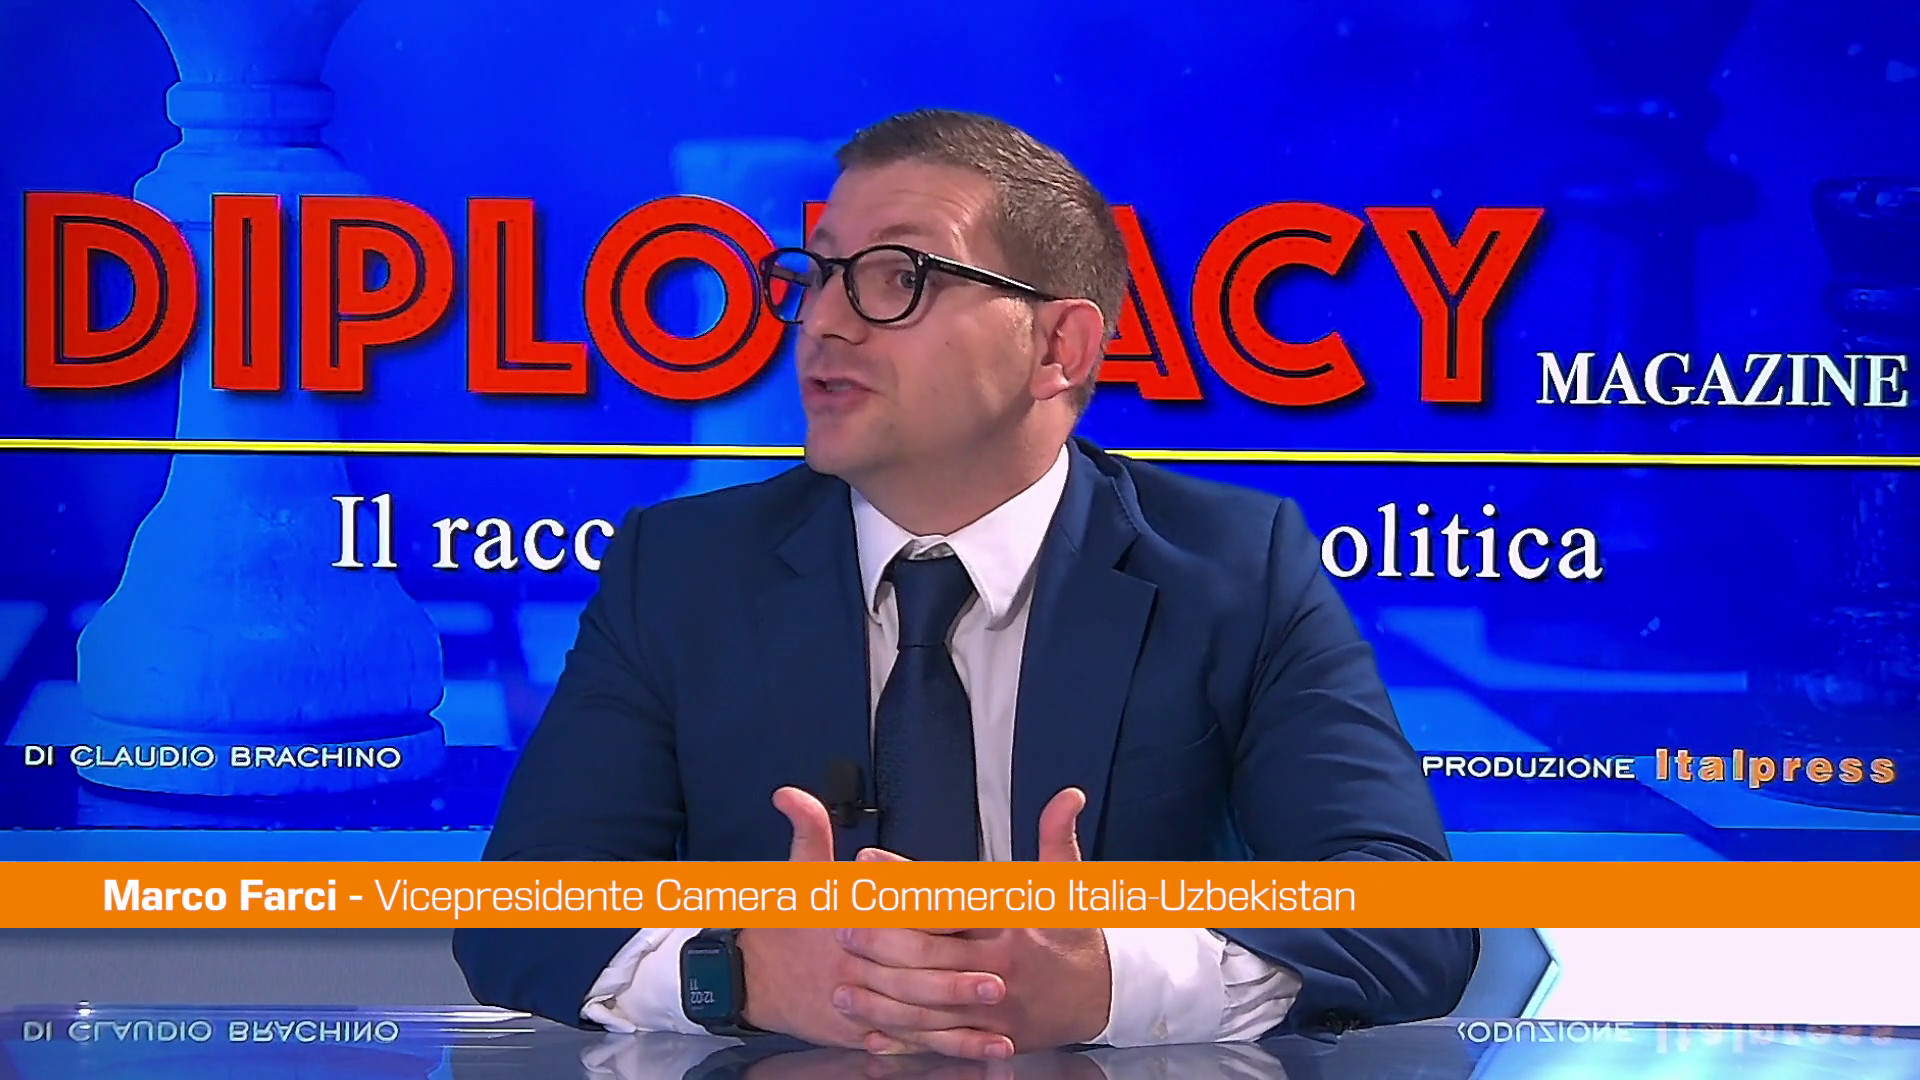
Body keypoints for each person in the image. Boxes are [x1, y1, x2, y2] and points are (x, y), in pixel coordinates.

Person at [452, 107, 1474, 1059]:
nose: (824, 323)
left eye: (896, 276)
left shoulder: (1237, 568)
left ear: (1060, 347)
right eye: (816, 274)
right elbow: (518, 916)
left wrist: (1111, 984)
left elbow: (1411, 917)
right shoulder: (679, 570)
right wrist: (739, 972)